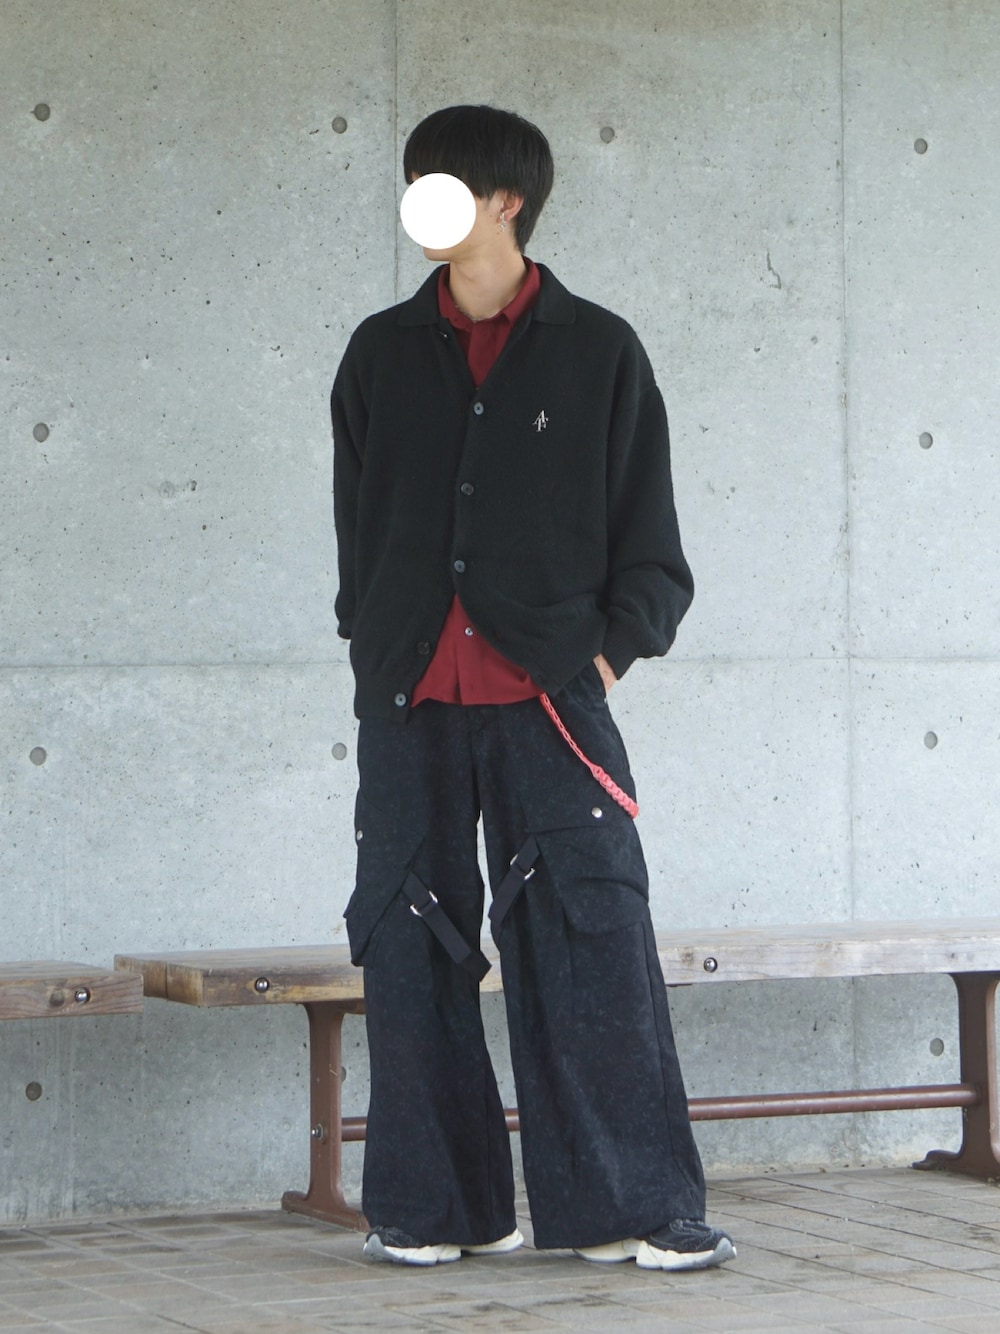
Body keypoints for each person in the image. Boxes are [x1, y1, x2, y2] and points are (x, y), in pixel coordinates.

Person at [331, 104, 735, 1272]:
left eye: (443, 181)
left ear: (505, 200)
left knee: (587, 929)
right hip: (410, 695)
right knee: (407, 934)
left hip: (550, 692)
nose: (420, 200)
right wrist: (373, 637)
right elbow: (358, 526)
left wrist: (604, 652)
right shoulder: (378, 353)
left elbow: (650, 543)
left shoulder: (596, 350)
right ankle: (433, 1205)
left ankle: (631, 1205)